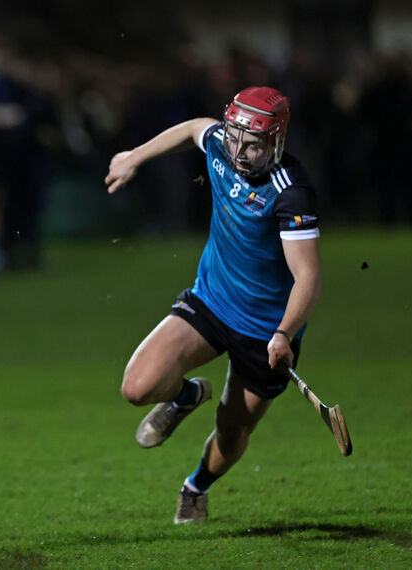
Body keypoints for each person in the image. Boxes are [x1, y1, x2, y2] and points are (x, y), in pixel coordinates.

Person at [105, 86, 321, 524]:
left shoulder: (290, 193)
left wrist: (283, 333)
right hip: (212, 302)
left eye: (254, 144)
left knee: (233, 428)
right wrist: (134, 157)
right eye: (236, 138)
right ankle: (187, 395)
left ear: (277, 140)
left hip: (266, 332)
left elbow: (309, 276)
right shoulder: (223, 144)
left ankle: (195, 487)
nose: (240, 151)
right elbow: (191, 129)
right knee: (137, 388)